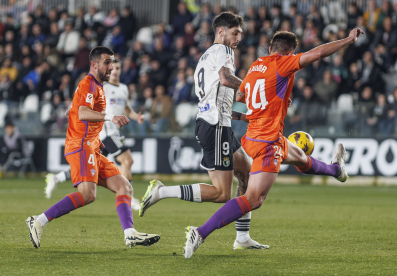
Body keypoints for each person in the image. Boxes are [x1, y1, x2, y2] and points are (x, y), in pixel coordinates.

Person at [183, 27, 364, 258]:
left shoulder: (255, 66)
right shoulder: (283, 63)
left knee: (299, 157)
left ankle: (337, 170)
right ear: (289, 53)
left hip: (254, 137)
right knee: (254, 198)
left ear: (269, 49)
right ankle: (200, 232)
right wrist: (348, 40)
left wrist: (255, 111)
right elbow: (317, 54)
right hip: (268, 143)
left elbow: (240, 99)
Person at [139, 12, 268, 250]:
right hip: (215, 126)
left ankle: (241, 238)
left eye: (240, 33)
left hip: (219, 124)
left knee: (248, 177)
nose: (239, 37)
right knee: (222, 193)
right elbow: (226, 78)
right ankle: (162, 191)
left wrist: (248, 114)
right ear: (221, 32)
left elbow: (222, 97)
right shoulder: (224, 51)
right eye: (235, 32)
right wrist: (255, 87)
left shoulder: (207, 55)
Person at [26, 46, 160, 249]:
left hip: (93, 146)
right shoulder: (90, 84)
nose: (111, 67)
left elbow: (78, 107)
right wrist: (110, 117)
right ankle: (38, 221)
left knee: (124, 187)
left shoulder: (96, 86)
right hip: (81, 145)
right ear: (94, 65)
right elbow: (83, 113)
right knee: (88, 194)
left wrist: (72, 108)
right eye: (107, 62)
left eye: (113, 62)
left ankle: (130, 233)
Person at [44, 59, 143, 211]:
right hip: (106, 130)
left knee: (91, 166)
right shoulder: (102, 85)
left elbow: (127, 109)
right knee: (127, 160)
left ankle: (57, 177)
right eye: (113, 68)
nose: (115, 70)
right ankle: (129, 197)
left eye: (118, 68)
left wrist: (137, 117)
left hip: (109, 132)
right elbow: (85, 95)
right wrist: (72, 106)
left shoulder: (123, 88)